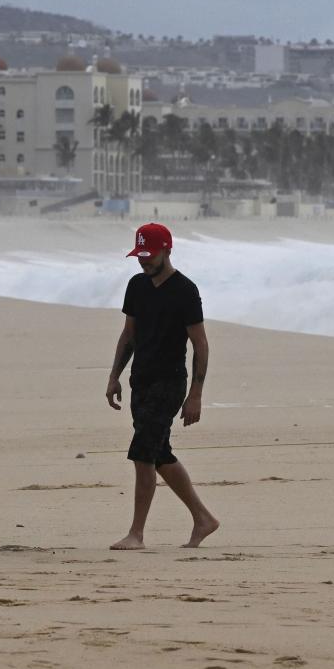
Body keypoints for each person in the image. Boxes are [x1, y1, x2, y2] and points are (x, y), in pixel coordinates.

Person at [106, 222, 219, 550]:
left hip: (170, 383)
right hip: (140, 380)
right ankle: (203, 519)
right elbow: (129, 335)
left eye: (149, 255)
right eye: (139, 255)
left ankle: (136, 534)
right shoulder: (137, 286)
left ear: (166, 249)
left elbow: (200, 344)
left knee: (143, 452)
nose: (143, 261)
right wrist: (114, 376)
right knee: (158, 453)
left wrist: (195, 393)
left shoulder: (185, 290)